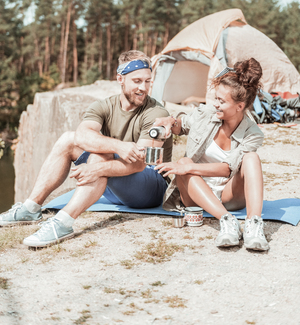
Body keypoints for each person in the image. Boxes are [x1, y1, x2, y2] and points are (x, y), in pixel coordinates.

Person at [0, 50, 173, 247]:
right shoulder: (104, 106)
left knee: (101, 155)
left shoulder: (156, 112)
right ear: (120, 79)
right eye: (137, 81)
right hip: (117, 181)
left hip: (150, 187)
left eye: (148, 81)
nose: (144, 87)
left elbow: (138, 166)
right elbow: (81, 135)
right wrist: (118, 146)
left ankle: (63, 222)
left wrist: (96, 168)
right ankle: (31, 207)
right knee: (68, 140)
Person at [155, 58, 269, 251]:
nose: (215, 104)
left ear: (239, 106)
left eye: (221, 101)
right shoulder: (207, 114)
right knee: (185, 160)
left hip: (229, 194)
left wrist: (188, 167)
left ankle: (254, 224)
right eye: (216, 98)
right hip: (196, 194)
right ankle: (227, 221)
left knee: (251, 158)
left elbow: (227, 169)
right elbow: (181, 125)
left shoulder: (253, 133)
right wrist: (170, 121)